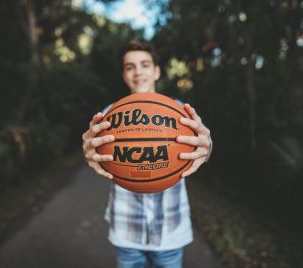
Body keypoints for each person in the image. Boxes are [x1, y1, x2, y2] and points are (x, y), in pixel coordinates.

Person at [81, 41, 213, 267]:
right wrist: (88, 153)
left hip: (170, 231)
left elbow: (203, 143)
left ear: (156, 70)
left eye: (144, 64)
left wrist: (207, 147)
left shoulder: (180, 110)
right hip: (125, 229)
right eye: (130, 67)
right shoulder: (108, 115)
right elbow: (93, 150)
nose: (138, 71)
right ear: (124, 74)